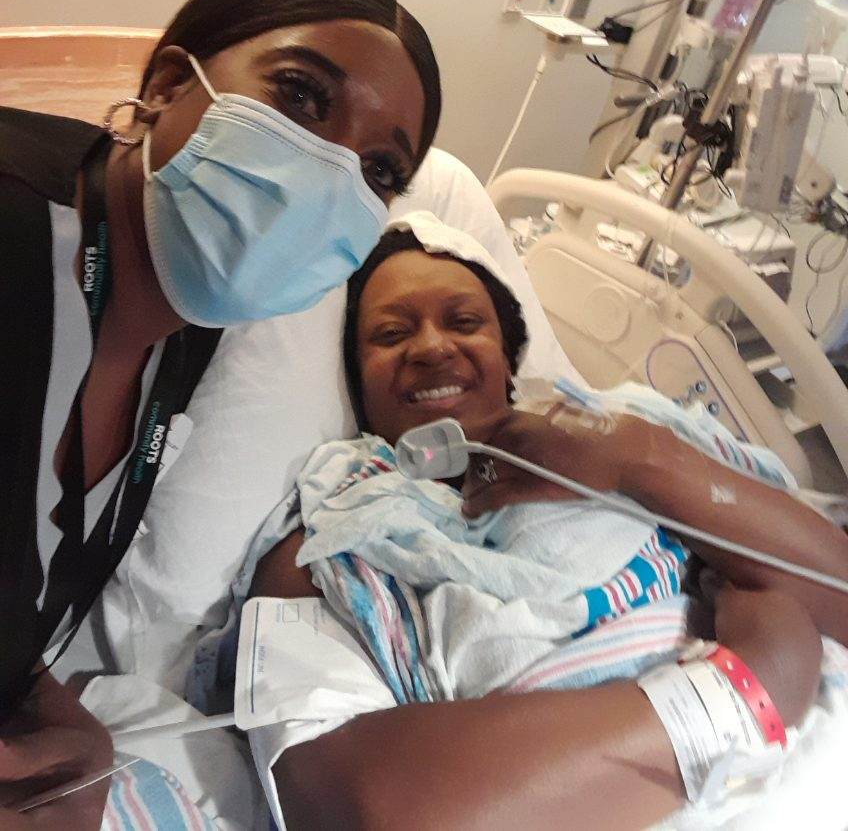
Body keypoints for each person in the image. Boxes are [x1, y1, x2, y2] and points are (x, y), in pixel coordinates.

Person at [0, 0, 441, 827]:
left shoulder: (190, 320)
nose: (327, 172)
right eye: (302, 97)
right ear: (169, 84)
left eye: (380, 170)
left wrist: (59, 720)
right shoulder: (16, 235)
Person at [251, 214, 848, 830]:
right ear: (358, 382)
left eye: (464, 322)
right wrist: (745, 693)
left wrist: (638, 462)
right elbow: (345, 802)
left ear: (508, 359)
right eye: (392, 333)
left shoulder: (631, 427)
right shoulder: (337, 532)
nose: (431, 347)